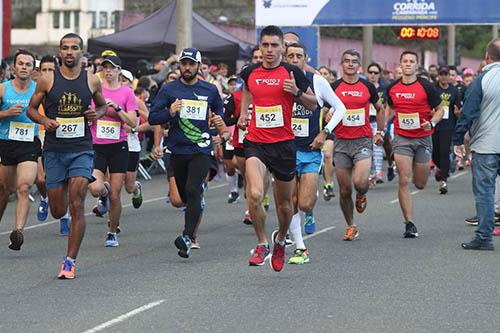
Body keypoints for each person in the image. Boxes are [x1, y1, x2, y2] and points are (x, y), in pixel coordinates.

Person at [27, 33, 107, 279]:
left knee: (77, 202)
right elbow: (31, 109)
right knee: (59, 210)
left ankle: (70, 261)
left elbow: (102, 105)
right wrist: (44, 120)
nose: (69, 52)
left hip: (81, 149)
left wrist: (97, 114)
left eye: (74, 48)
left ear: (81, 52)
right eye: (65, 48)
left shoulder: (91, 80)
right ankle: (59, 207)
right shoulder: (47, 80)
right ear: (60, 52)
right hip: (54, 151)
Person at [238, 25, 316, 272]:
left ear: (283, 47)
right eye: (265, 45)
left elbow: (314, 105)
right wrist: (242, 115)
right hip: (256, 143)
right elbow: (248, 90)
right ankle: (262, 244)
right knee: (255, 194)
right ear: (260, 47)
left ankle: (280, 239)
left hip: (283, 145)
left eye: (274, 45)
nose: (270, 50)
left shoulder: (293, 72)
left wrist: (297, 92)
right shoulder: (249, 72)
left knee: (285, 206)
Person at [149, 48, 228, 259]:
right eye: (184, 63)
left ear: (198, 66)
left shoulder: (210, 90)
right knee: (183, 197)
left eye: (191, 64)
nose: (187, 67)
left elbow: (220, 113)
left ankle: (187, 237)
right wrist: (170, 112)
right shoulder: (168, 90)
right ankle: (194, 209)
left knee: (193, 189)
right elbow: (153, 118)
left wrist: (219, 126)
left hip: (201, 149)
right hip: (177, 150)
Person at [285, 42, 346, 263]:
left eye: (298, 56)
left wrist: (325, 132)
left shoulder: (317, 81)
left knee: (304, 203)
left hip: (310, 151)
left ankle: (309, 211)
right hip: (285, 151)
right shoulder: (278, 81)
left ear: (305, 59)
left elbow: (341, 108)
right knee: (289, 201)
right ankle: (300, 247)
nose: (294, 59)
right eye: (290, 55)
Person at [386, 51, 443, 238]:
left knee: (419, 183)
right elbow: (389, 110)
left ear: (417, 66)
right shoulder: (392, 88)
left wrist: (432, 122)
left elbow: (440, 110)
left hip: (423, 138)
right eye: (405, 61)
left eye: (412, 61)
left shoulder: (427, 87)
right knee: (403, 179)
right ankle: (409, 223)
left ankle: (420, 175)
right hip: (402, 138)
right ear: (400, 65)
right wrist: (380, 131)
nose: (408, 64)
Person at [331, 50, 384, 241]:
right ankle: (351, 225)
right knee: (344, 190)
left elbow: (380, 109)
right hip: (341, 142)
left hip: (362, 140)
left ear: (359, 65)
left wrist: (379, 131)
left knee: (360, 182)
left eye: (354, 61)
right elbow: (326, 109)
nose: (350, 64)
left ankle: (361, 194)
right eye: (347, 61)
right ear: (341, 64)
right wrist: (327, 116)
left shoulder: (367, 86)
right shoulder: (334, 86)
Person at [454, 38, 500, 251]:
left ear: (486, 57)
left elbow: (468, 113)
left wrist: (457, 141)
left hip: (487, 146)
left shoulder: (481, 80)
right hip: (487, 145)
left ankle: (484, 238)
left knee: (485, 192)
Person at [87, 55, 137, 247]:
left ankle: (111, 231)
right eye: (105, 68)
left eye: (112, 68)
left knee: (116, 195)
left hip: (118, 147)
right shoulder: (95, 90)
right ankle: (103, 192)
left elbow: (133, 122)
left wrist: (116, 108)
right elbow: (88, 115)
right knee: (94, 188)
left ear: (119, 71)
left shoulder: (127, 93)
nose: (108, 71)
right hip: (97, 146)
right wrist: (96, 113)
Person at [0, 49, 40, 251]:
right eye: (21, 63)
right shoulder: (2, 89)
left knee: (24, 187)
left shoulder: (39, 89)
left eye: (28, 64)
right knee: (4, 190)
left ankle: (18, 232)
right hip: (6, 143)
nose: (24, 67)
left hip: (29, 143)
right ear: (14, 67)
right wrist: (5, 113)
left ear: (33, 69)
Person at [432, 66, 460, 194]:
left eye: (446, 74)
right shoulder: (433, 88)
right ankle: (443, 168)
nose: (444, 76)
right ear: (438, 75)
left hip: (448, 126)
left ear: (449, 76)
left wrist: (458, 113)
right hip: (434, 124)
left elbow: (458, 109)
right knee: (434, 153)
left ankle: (444, 180)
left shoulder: (454, 91)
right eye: (441, 74)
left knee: (444, 152)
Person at [366, 62, 388, 185]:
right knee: (367, 149)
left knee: (377, 147)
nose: (373, 75)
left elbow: (387, 106)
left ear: (379, 75)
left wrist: (384, 122)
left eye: (376, 73)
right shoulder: (365, 86)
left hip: (378, 121)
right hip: (365, 121)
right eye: (371, 72)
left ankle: (379, 172)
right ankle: (370, 174)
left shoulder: (383, 89)